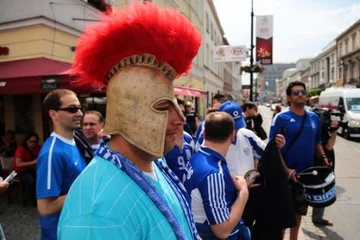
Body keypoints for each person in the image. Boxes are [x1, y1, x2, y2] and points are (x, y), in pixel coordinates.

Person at [57, 3, 201, 240]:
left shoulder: (154, 165)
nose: (181, 120)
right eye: (163, 107)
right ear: (127, 110)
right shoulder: (98, 211)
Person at [269, 81, 330, 240]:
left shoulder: (313, 118)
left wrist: (323, 157)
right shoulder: (281, 118)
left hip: (305, 175)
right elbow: (273, 148)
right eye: (296, 93)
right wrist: (287, 171)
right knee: (282, 217)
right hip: (284, 175)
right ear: (289, 97)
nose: (301, 94)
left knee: (299, 212)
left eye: (303, 91)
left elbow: (317, 142)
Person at [185, 112, 250, 240]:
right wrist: (244, 193)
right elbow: (222, 231)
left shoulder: (197, 157)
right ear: (232, 135)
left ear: (204, 134)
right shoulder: (214, 173)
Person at [36, 89, 87, 240]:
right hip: (59, 233)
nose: (79, 114)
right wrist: (86, 190)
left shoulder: (77, 141)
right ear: (54, 114)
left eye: (80, 107)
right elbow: (45, 208)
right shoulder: (52, 153)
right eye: (72, 109)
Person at [311, 110, 338, 227]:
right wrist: (334, 131)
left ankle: (306, 215)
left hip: (313, 161)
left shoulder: (314, 127)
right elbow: (329, 145)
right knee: (322, 190)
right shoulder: (322, 129)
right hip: (323, 163)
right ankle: (317, 218)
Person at [13, 132, 41, 205]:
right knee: (30, 178)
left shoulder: (38, 148)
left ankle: (42, 197)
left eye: (35, 141)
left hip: (32, 169)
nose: (33, 143)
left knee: (41, 176)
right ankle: (34, 200)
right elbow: (18, 164)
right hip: (21, 171)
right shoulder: (21, 149)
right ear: (26, 141)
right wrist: (32, 162)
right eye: (31, 141)